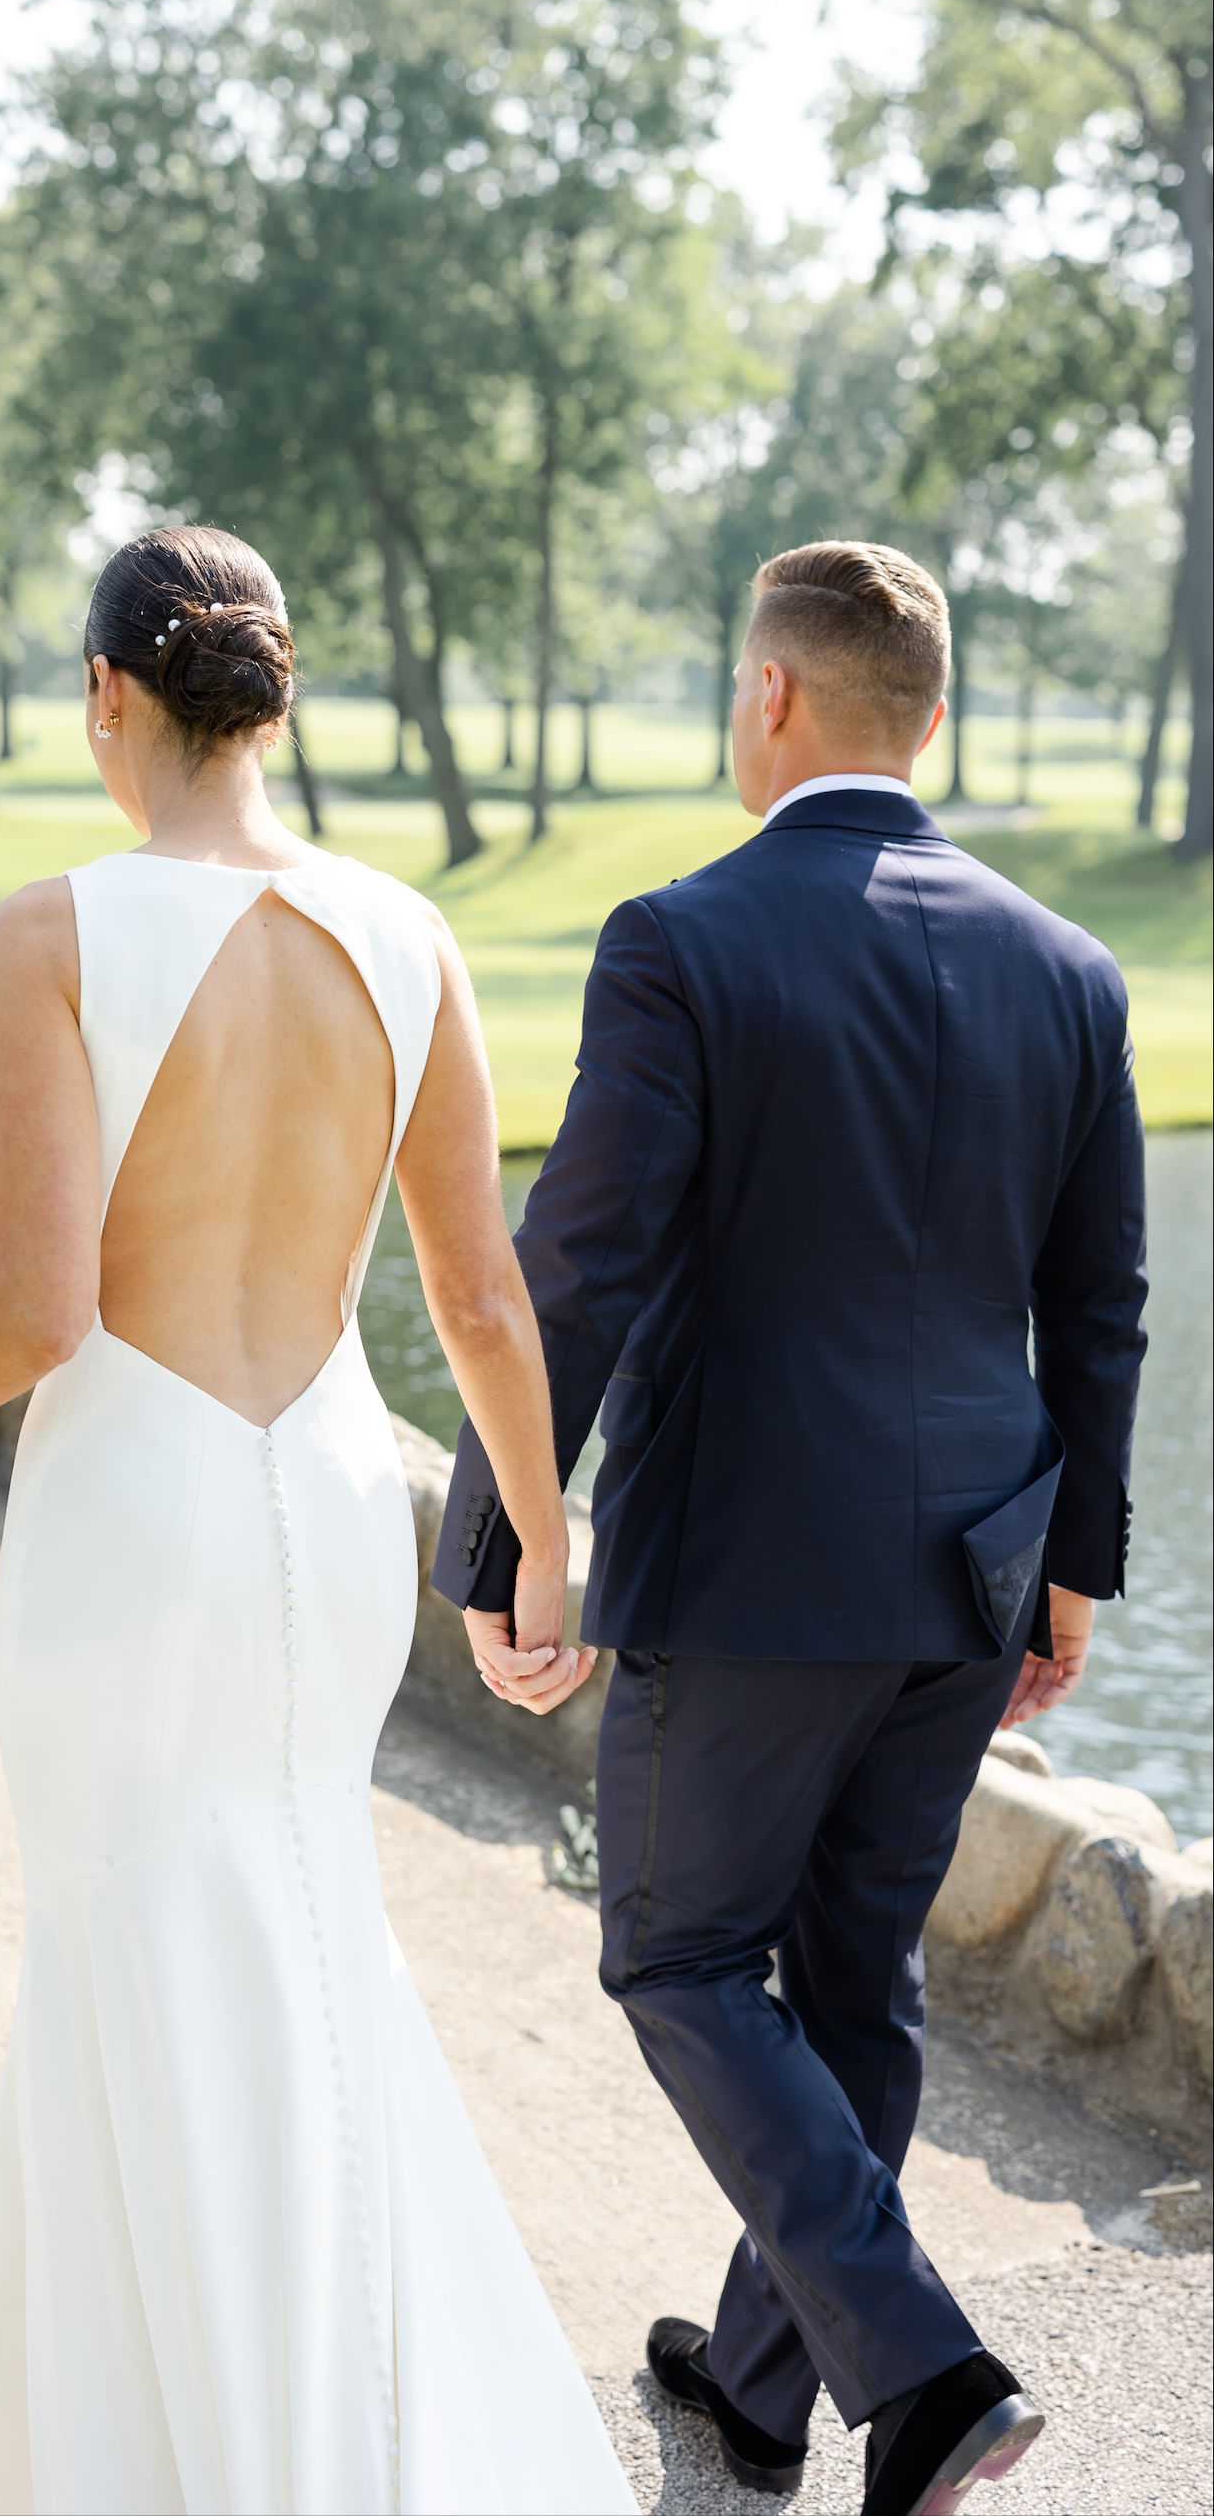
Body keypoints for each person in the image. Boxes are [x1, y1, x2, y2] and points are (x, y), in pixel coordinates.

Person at [0, 524, 637, 2516]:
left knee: (132, 1966)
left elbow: (43, 1312)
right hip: (328, 1490)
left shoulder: (50, 931)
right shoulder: (407, 933)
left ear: (108, 696)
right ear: (274, 697)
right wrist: (542, 1551)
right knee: (301, 1940)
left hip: (136, 1513)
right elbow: (488, 1300)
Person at [433, 539, 1148, 2516]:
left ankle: (916, 2374)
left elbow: (574, 1267)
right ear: (932, 716)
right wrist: (1073, 1568)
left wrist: (507, 1548)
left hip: (751, 1571)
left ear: (768, 698)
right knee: (853, 1991)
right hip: (971, 1566)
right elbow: (1099, 1309)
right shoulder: (1069, 969)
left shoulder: (681, 936)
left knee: (678, 1960)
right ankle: (760, 2397)